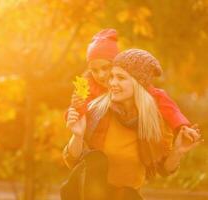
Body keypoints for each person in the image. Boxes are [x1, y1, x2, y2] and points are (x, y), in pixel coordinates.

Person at [63, 49, 202, 200]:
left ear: (138, 83)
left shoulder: (155, 121)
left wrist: (178, 151)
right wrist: (77, 136)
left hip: (124, 196)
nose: (112, 83)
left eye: (121, 78)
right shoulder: (97, 110)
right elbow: (72, 160)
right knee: (97, 158)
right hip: (86, 193)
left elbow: (163, 169)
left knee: (129, 194)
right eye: (112, 77)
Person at [67, 28, 197, 139]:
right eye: (94, 70)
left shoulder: (131, 84)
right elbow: (78, 110)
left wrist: (181, 126)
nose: (100, 75)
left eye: (105, 68)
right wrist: (74, 111)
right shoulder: (87, 86)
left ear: (117, 65)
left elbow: (164, 102)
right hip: (98, 149)